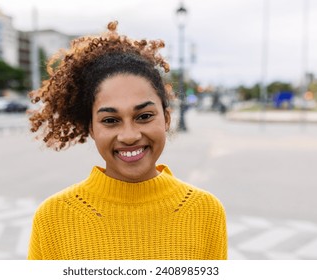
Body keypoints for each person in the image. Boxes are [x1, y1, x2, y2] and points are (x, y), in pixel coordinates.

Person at [27, 21, 227, 260]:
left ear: (166, 118)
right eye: (111, 120)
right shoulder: (53, 218)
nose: (130, 135)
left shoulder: (206, 212)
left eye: (144, 116)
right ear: (91, 127)